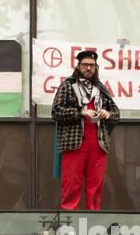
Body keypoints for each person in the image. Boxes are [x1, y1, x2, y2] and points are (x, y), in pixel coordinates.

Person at [51, 49, 120, 211]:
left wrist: (107, 113)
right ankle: (68, 224)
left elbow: (117, 114)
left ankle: (92, 222)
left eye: (92, 65)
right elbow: (56, 112)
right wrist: (80, 112)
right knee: (71, 187)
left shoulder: (101, 89)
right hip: (74, 145)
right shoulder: (68, 86)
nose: (88, 68)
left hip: (98, 146)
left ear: (96, 68)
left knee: (95, 188)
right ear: (78, 66)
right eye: (85, 65)